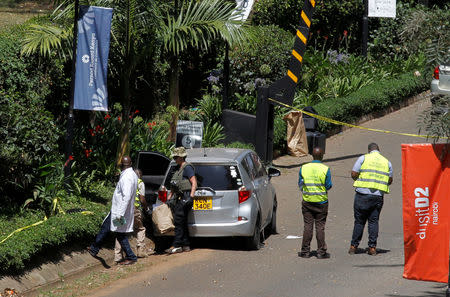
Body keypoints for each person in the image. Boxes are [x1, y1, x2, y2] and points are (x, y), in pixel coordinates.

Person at [87, 156, 138, 265]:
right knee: (107, 227)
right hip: (118, 210)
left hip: (120, 211)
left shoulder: (127, 177)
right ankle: (94, 248)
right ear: (131, 163)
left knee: (119, 233)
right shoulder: (132, 174)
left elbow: (127, 197)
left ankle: (131, 256)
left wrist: (120, 214)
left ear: (121, 165)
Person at [349, 143, 393, 256]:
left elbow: (354, 173)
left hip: (362, 194)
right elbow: (390, 180)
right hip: (377, 196)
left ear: (369, 150)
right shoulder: (386, 162)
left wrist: (358, 178)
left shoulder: (363, 158)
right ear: (379, 150)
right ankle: (372, 248)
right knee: (373, 221)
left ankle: (353, 246)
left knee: (359, 221)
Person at [298, 147, 332, 259]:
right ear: (322, 155)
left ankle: (305, 251)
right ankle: (321, 252)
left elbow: (300, 184)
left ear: (312, 155)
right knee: (320, 227)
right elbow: (328, 186)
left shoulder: (304, 168)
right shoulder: (325, 169)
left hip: (307, 201)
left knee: (307, 226)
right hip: (321, 202)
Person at [114, 169, 153, 263]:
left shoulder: (122, 181)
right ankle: (140, 251)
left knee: (120, 231)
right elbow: (142, 199)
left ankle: (118, 256)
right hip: (134, 210)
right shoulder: (140, 183)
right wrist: (147, 209)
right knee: (140, 229)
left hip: (121, 210)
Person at [165, 147, 197, 254]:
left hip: (186, 197)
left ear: (181, 157)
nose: (174, 158)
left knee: (178, 221)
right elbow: (175, 186)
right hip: (180, 197)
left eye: (176, 157)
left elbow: (194, 182)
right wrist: (169, 197)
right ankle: (186, 244)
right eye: (174, 157)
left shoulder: (187, 168)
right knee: (182, 222)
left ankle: (176, 244)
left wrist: (191, 197)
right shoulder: (178, 168)